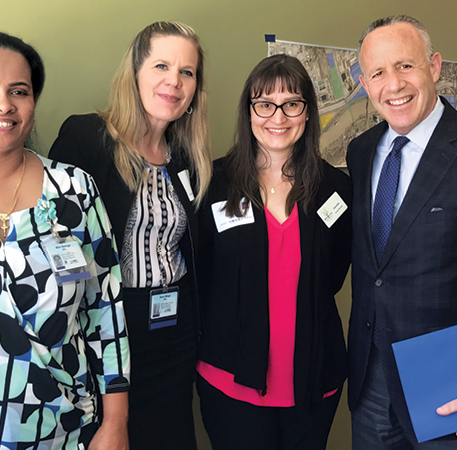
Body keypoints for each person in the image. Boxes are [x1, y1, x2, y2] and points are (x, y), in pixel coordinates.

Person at [0, 31, 130, 449]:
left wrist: (115, 423)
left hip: (61, 429)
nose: (4, 104)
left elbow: (106, 311)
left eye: (19, 91)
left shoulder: (74, 190)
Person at [347, 15, 457, 449]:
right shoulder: (362, 150)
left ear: (435, 66)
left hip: (455, 394)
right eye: (378, 73)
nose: (394, 84)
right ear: (365, 85)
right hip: (370, 383)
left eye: (405, 66)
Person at [49, 21, 211, 450]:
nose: (173, 81)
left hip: (175, 331)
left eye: (187, 72)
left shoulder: (187, 159)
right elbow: (56, 245)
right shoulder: (88, 137)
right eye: (161, 65)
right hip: (111, 333)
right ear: (135, 72)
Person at [196, 54, 352, 450]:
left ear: (307, 112)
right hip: (231, 380)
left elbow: (332, 276)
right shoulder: (214, 183)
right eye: (264, 104)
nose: (277, 117)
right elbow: (202, 275)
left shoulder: (336, 188)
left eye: (292, 104)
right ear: (249, 112)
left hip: (314, 381)